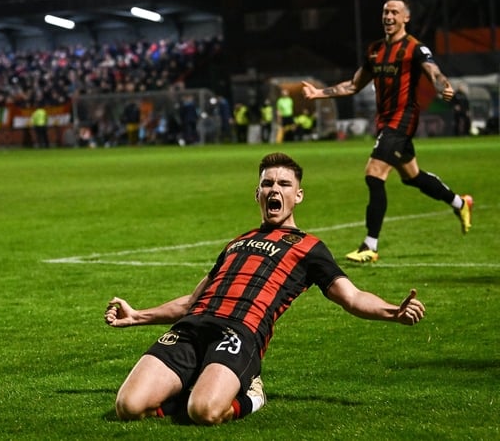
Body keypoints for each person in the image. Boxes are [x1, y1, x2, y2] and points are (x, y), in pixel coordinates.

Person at [105, 152, 426, 426]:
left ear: (298, 195)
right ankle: (194, 383)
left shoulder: (309, 248)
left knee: (204, 412)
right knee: (128, 407)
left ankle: (252, 394)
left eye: (284, 184)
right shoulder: (237, 243)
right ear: (257, 192)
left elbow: (352, 297)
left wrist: (393, 312)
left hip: (238, 333)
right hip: (190, 329)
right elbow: (192, 301)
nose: (275, 190)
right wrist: (137, 316)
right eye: (268, 183)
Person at [301, 0, 472, 263]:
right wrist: (318, 93)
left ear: (406, 17)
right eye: (385, 12)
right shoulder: (375, 50)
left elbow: (433, 71)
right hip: (385, 121)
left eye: (394, 12)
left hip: (403, 120)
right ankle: (460, 203)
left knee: (374, 172)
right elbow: (354, 85)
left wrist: (443, 87)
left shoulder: (414, 47)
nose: (389, 17)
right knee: (412, 176)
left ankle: (370, 245)